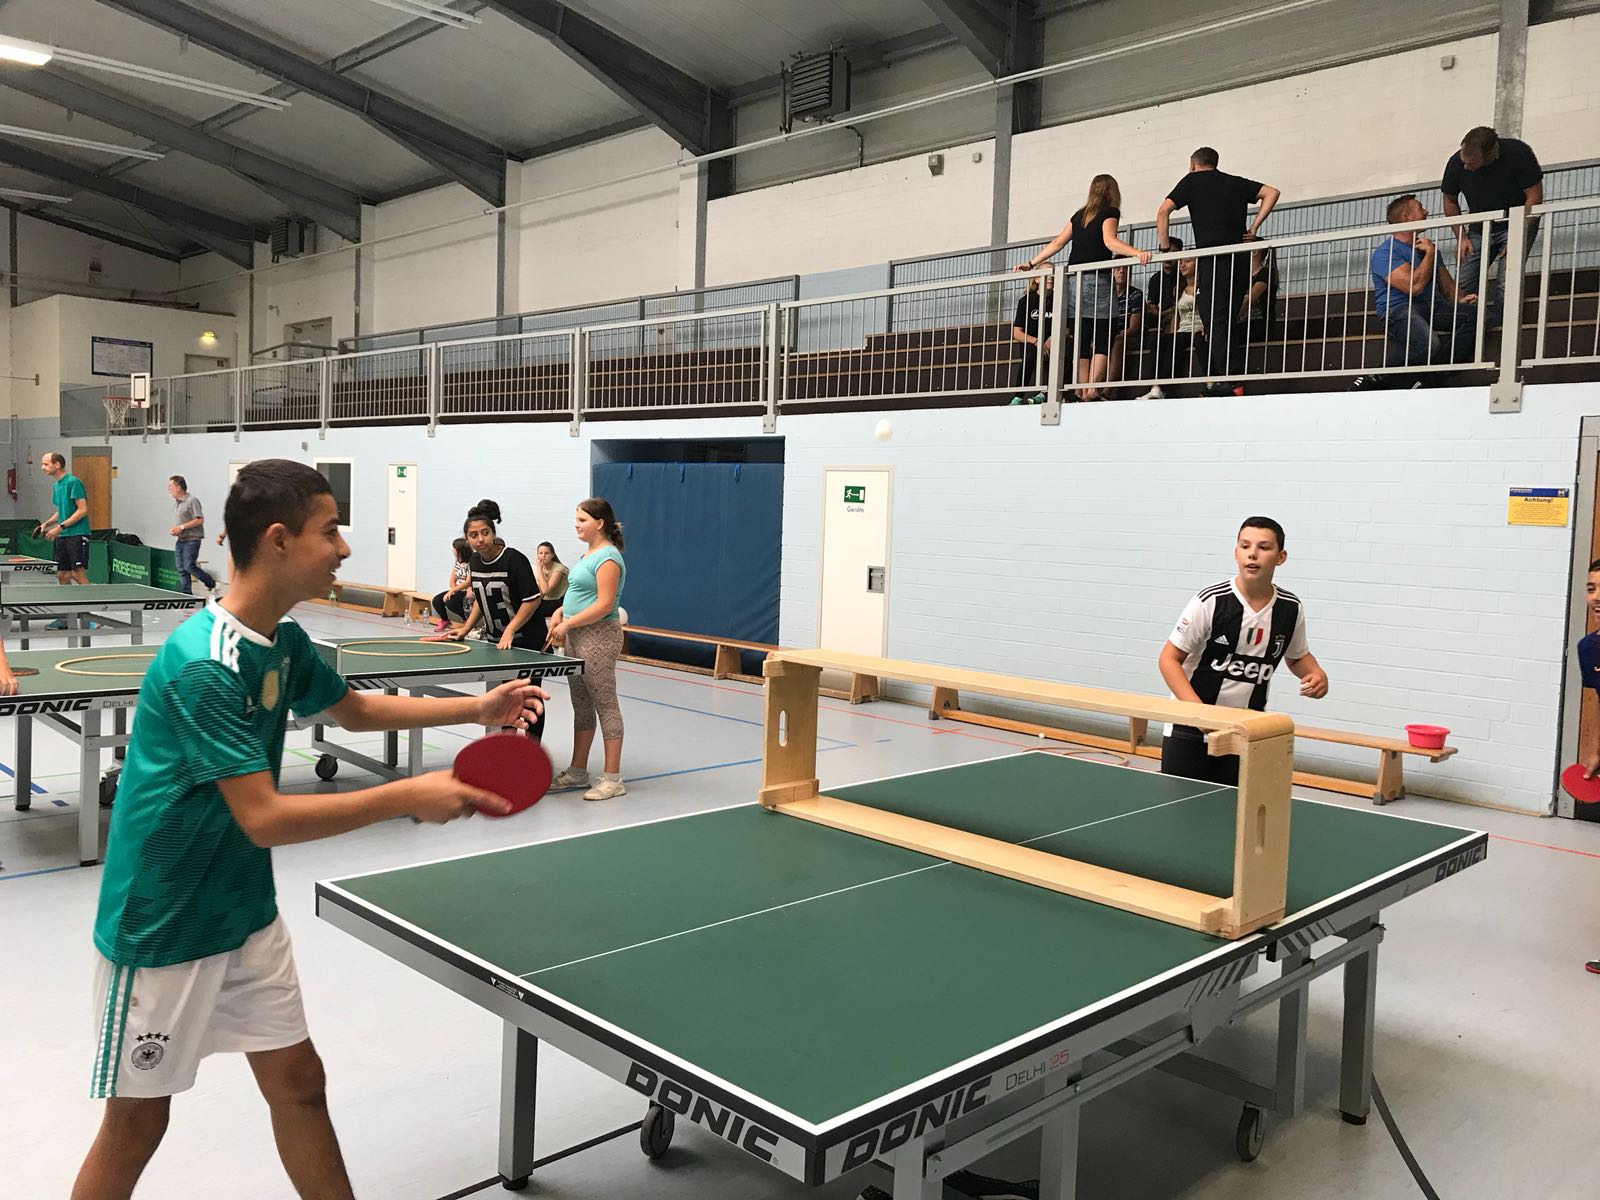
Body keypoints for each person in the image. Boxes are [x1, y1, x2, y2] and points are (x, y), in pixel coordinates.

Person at [71, 459, 544, 1200]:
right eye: (331, 532)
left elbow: (353, 710)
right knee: (137, 1125)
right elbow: (263, 817)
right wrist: (406, 796)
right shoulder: (205, 666)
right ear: (279, 540)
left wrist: (474, 708)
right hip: (164, 923)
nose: (344, 549)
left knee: (299, 1084)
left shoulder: (281, 640)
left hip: (243, 912)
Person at [1157, 517, 1329, 785]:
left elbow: (1297, 657)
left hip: (1246, 731)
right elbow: (1169, 659)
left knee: (1234, 807)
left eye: (1264, 547)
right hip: (1189, 731)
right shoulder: (1210, 601)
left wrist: (1316, 674)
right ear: (1236, 553)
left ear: (1281, 557)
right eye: (1245, 546)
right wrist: (1200, 713)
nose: (1252, 553)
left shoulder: (1290, 608)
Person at [1155, 147, 1281, 396]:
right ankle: (1227, 380)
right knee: (1224, 318)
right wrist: (1254, 227)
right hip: (1239, 259)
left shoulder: (1191, 181)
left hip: (1213, 259)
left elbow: (1162, 211)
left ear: (1193, 164)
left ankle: (1230, 381)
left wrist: (1165, 248)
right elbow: (1272, 192)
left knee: (1215, 319)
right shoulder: (1234, 182)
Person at [1016, 173, 1151, 400]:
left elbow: (1058, 242)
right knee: (1103, 334)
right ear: (1112, 192)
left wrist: (1031, 263)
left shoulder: (1080, 215)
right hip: (1096, 280)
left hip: (1075, 282)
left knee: (1082, 335)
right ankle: (1091, 390)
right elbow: (1109, 241)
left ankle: (1080, 389)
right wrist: (1137, 252)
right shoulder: (1110, 212)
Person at [440, 500, 549, 740]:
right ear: (467, 539)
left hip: (528, 639)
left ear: (493, 533)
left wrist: (511, 629)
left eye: (485, 533)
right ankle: (508, 748)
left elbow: (532, 600)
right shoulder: (475, 562)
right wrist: (466, 628)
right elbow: (481, 598)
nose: (480, 539)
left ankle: (532, 752)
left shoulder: (514, 559)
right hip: (499, 642)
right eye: (474, 535)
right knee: (506, 696)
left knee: (529, 695)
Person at [548, 498, 628, 802]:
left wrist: (569, 623)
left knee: (605, 704)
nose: (577, 525)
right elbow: (578, 593)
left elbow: (605, 604)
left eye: (582, 520)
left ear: (600, 523)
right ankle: (578, 771)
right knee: (581, 705)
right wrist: (560, 612)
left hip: (599, 636)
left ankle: (612, 779)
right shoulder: (587, 555)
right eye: (576, 519)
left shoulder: (608, 558)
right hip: (575, 635)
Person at [1358, 194, 1479, 388]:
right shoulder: (1386, 252)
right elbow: (1414, 287)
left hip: (1432, 307)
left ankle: (1434, 375)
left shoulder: (1429, 250)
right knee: (1429, 344)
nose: (1426, 212)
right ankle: (1376, 377)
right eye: (1420, 208)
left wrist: (1460, 300)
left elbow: (1447, 285)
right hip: (1399, 310)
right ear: (1407, 218)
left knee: (1475, 316)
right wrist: (1429, 254)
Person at [1441, 125, 1542, 330]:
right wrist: (1461, 237)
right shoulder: (1456, 163)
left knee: (1507, 278)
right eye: (1464, 161)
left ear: (1491, 154)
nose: (1466, 167)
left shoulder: (1518, 153)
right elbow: (1450, 200)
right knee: (1464, 281)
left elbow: (1534, 197)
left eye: (1472, 164)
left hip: (1517, 222)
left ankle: (1502, 329)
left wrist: (1518, 234)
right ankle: (1467, 325)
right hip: (1479, 228)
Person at [1138, 256, 1205, 400]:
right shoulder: (1179, 289)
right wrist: (1172, 332)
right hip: (1182, 330)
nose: (1182, 265)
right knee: (1157, 340)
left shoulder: (1205, 287)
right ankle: (1155, 387)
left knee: (1176, 340)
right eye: (1181, 262)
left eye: (1188, 261)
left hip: (1198, 329)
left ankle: (1164, 387)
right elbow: (1177, 315)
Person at [1578, 558, 1600, 976]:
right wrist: (1595, 749)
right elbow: (1599, 698)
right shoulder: (1590, 648)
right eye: (1591, 588)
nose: (1596, 597)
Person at [39, 451, 90, 586]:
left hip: (77, 533)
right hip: (63, 535)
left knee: (77, 573)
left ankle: (91, 599)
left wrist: (60, 527)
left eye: (46, 464)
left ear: (57, 465)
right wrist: (46, 524)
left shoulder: (73, 482)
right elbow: (61, 511)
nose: (42, 467)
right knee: (62, 574)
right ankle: (68, 600)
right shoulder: (56, 486)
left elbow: (83, 510)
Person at [166, 475, 216, 597]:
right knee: (181, 568)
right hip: (181, 540)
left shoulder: (192, 501)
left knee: (189, 566)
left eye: (171, 486)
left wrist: (182, 527)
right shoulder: (177, 503)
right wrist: (176, 530)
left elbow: (199, 520)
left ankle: (212, 583)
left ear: (178, 487)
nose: (169, 489)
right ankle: (186, 594)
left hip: (192, 540)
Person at [1009, 273, 1055, 403]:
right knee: (1030, 355)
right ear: (1037, 279)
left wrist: (1053, 338)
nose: (1051, 278)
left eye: (1053, 275)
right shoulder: (1026, 301)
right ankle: (1018, 397)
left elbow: (1068, 327)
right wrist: (1036, 342)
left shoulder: (1060, 298)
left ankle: (1045, 394)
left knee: (1066, 350)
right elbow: (1017, 333)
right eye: (1047, 275)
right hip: (1032, 341)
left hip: (1053, 341)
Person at [1106, 264, 1145, 394]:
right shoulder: (1105, 296)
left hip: (1131, 336)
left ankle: (1107, 392)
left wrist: (1118, 335)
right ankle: (1085, 391)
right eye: (1117, 268)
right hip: (1110, 334)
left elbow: (1134, 327)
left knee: (1118, 341)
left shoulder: (1136, 294)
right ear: (1111, 272)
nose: (1122, 271)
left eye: (1125, 269)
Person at [430, 537, 472, 631]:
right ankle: (445, 621)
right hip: (457, 589)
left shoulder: (472, 563)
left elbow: (468, 582)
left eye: (454, 548)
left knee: (451, 602)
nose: (452, 550)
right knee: (437, 600)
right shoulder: (458, 562)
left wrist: (453, 591)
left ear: (460, 551)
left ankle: (467, 620)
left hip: (467, 590)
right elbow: (452, 580)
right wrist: (453, 590)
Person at [532, 541, 569, 633]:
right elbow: (540, 591)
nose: (543, 556)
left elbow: (546, 590)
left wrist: (539, 568)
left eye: (546, 553)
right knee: (526, 605)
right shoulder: (542, 568)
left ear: (552, 555)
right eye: (540, 553)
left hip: (560, 601)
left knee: (533, 610)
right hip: (547, 601)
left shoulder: (559, 569)